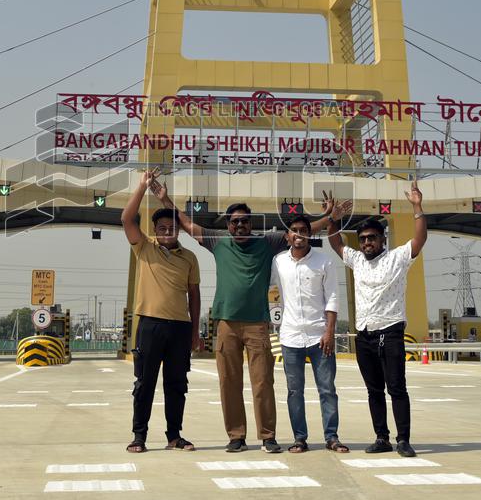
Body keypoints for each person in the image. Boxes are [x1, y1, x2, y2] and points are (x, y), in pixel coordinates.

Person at [151, 170, 334, 454]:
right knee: (229, 382)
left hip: (257, 325)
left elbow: (300, 233)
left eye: (244, 221)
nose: (239, 225)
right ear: (228, 224)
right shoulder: (217, 241)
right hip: (225, 323)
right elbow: (187, 225)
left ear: (250, 223)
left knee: (263, 382)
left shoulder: (267, 242)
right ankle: (236, 435)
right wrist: (165, 198)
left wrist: (329, 217)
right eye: (235, 221)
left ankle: (268, 436)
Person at [328, 180, 427, 458]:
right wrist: (333, 220)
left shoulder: (397, 258)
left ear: (383, 239)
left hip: (391, 332)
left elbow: (419, 240)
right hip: (365, 335)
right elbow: (335, 243)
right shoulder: (357, 260)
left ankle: (403, 440)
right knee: (374, 390)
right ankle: (381, 437)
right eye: (363, 239)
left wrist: (418, 208)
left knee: (397, 388)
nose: (367, 243)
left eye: (372, 238)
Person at [122, 169, 202, 453]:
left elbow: (194, 295)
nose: (167, 231)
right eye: (162, 228)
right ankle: (139, 436)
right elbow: (126, 219)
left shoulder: (190, 258)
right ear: (155, 231)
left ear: (178, 230)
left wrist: (195, 332)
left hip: (180, 328)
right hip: (150, 326)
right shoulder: (144, 248)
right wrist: (142, 187)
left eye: (172, 227)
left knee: (177, 384)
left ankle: (174, 435)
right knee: (144, 383)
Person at [270, 214, 348, 454]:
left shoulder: (324, 262)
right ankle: (299, 438)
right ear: (287, 236)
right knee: (295, 391)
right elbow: (273, 293)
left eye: (303, 230)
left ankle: (331, 437)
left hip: (319, 336)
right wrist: (275, 324)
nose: (299, 234)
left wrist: (330, 331)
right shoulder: (278, 262)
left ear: (310, 234)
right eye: (294, 230)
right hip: (290, 337)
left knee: (327, 389)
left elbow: (333, 296)